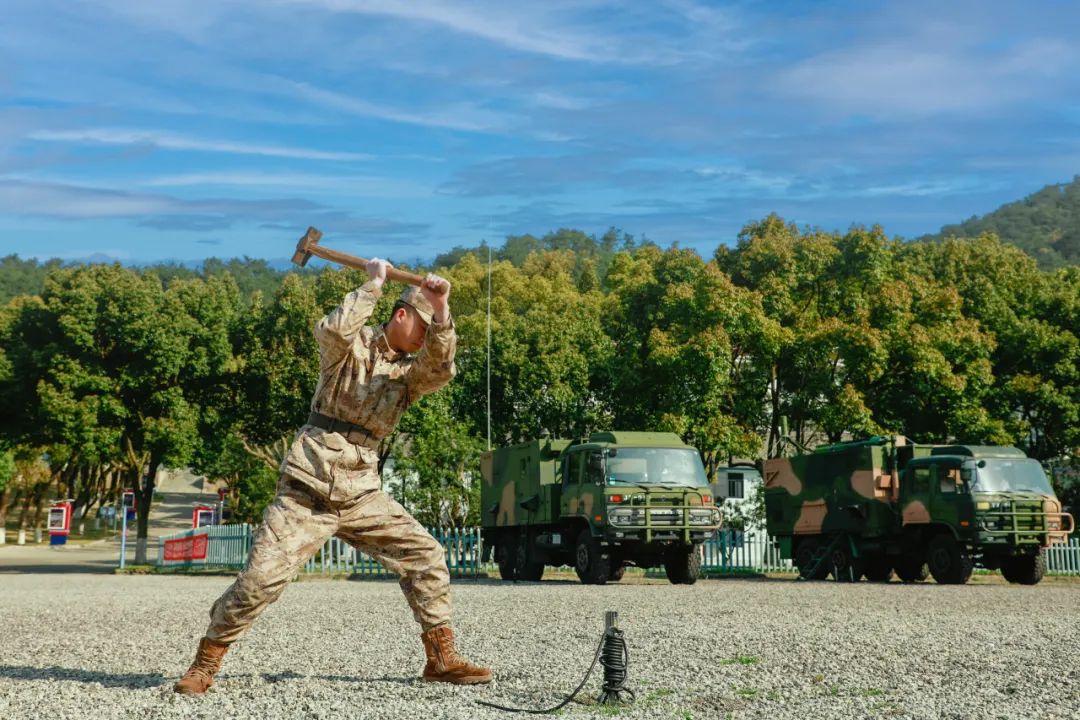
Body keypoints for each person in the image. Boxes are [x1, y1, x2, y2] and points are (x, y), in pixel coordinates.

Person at [173, 258, 492, 694]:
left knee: (427, 556)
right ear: (400, 314)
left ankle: (440, 658)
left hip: (362, 494)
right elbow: (331, 330)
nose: (423, 337)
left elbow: (441, 368)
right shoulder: (350, 347)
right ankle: (205, 663)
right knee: (260, 581)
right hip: (308, 488)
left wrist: (441, 310)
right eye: (420, 325)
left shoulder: (410, 373)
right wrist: (373, 284)